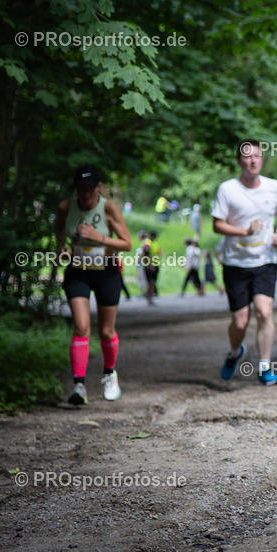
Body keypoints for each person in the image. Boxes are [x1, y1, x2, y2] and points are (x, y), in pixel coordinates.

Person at [211, 140, 277, 385]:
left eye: (257, 156)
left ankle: (265, 368)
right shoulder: (227, 189)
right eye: (247, 157)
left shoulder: (274, 187)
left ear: (262, 159)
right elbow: (217, 225)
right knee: (240, 320)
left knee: (264, 312)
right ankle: (236, 352)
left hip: (264, 261)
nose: (253, 160)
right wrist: (244, 232)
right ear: (239, 162)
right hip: (235, 263)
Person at [53, 164, 132, 405]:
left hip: (106, 271)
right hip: (78, 271)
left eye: (89, 189)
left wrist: (98, 238)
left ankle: (109, 374)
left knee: (106, 330)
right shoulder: (66, 207)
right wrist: (61, 248)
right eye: (80, 189)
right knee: (81, 326)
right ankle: (79, 386)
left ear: (98, 188)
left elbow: (126, 243)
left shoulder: (108, 208)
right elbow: (58, 227)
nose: (85, 195)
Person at [142, 230, 161, 305]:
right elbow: (147, 254)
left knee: (153, 282)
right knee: (151, 282)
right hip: (149, 265)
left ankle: (149, 296)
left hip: (155, 264)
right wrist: (150, 265)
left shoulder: (154, 243)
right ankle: (148, 296)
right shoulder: (147, 243)